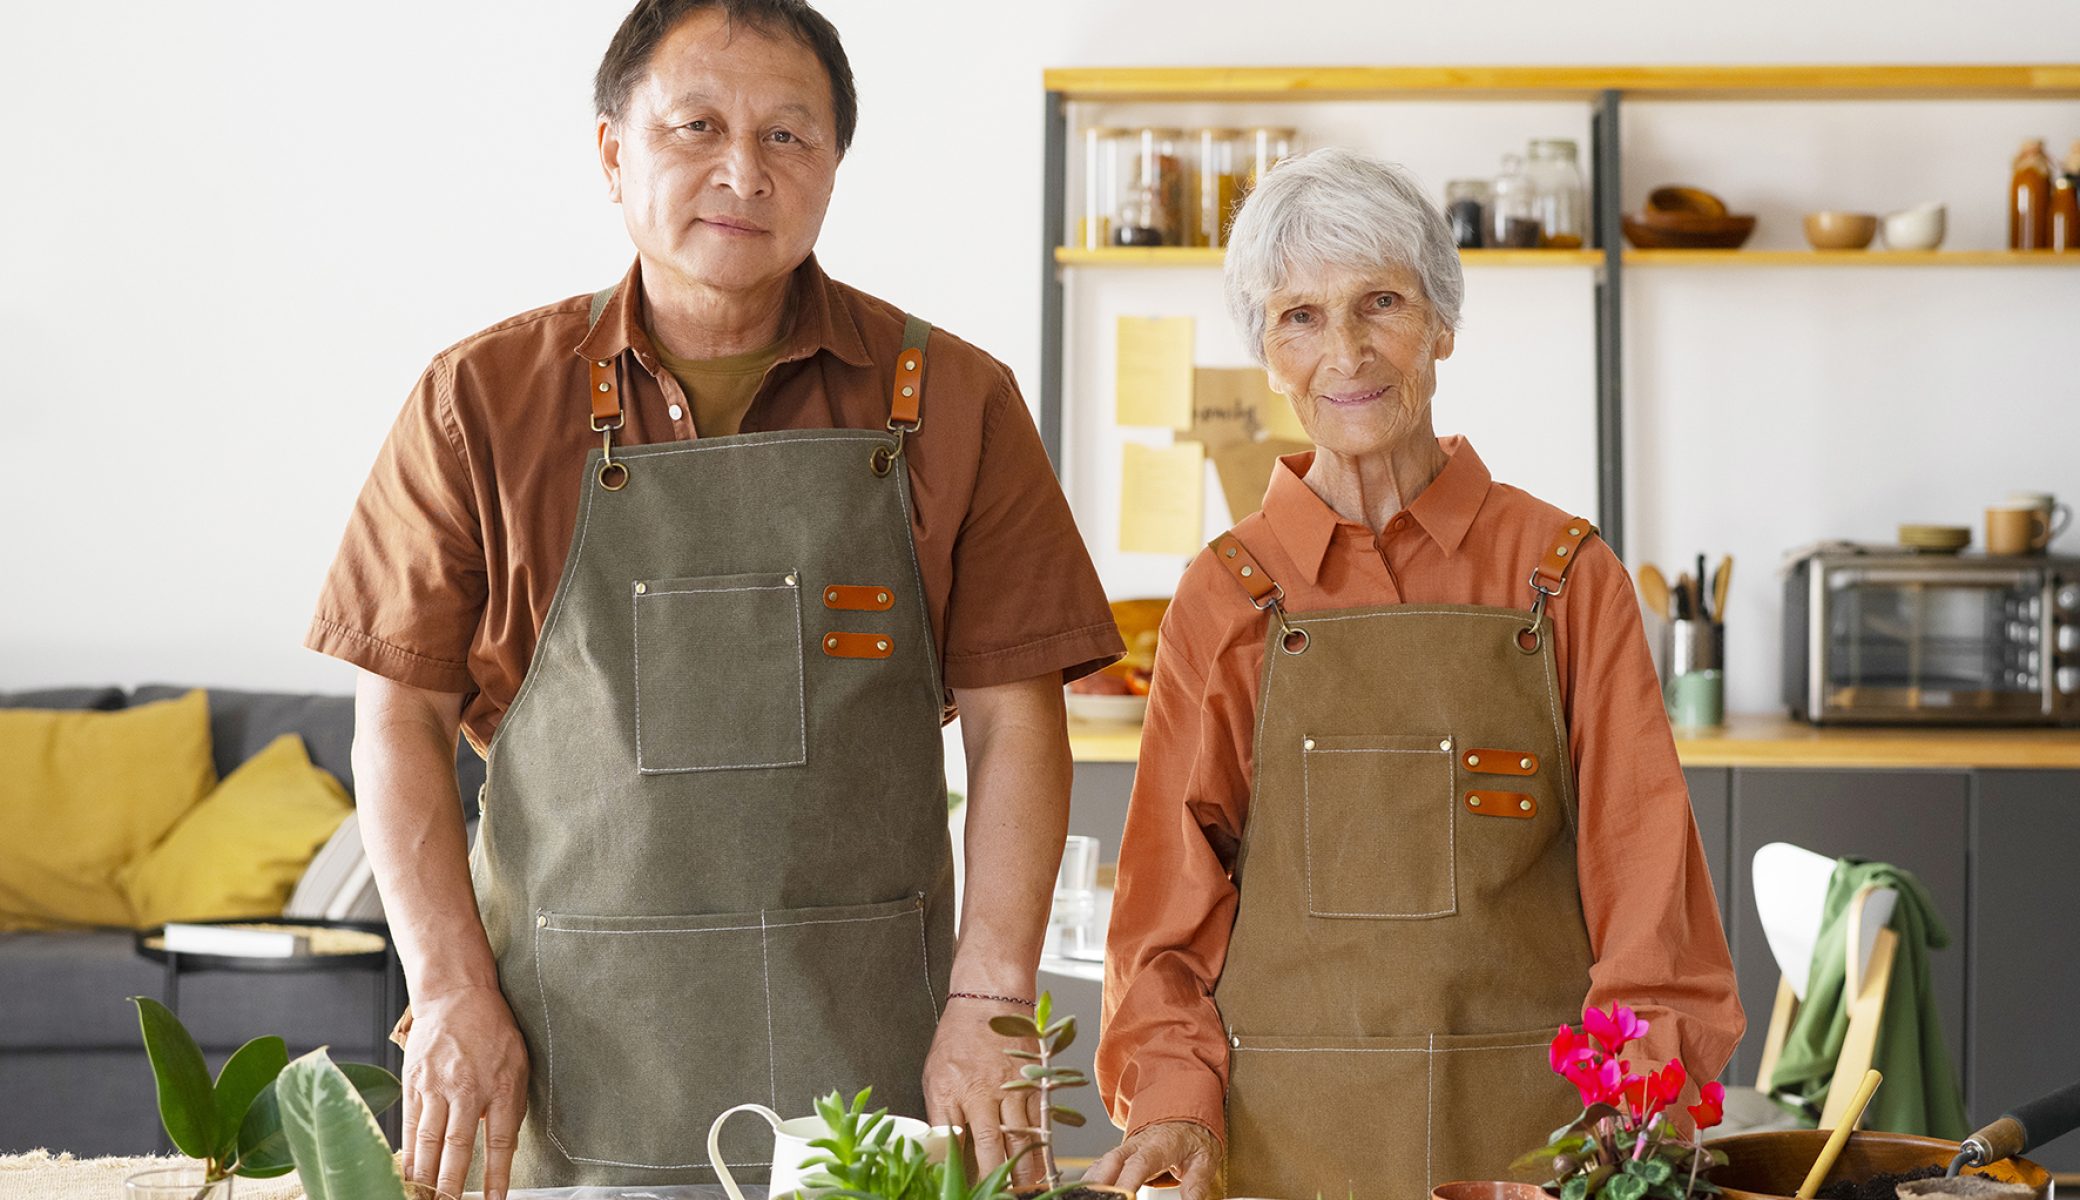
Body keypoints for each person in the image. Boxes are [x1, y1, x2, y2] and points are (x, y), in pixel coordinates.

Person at [306, 2, 1122, 1195]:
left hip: (872, 1069)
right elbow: (398, 719)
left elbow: (1017, 722)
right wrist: (447, 992)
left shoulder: (956, 400)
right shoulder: (477, 402)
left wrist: (992, 1001)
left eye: (790, 135)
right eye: (696, 126)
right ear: (612, 152)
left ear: (835, 165)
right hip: (561, 1054)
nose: (744, 170)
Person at [1086, 148, 1744, 1200]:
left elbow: (1649, 907)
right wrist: (1173, 1109)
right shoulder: (1225, 595)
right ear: (1267, 353)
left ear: (1440, 324)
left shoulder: (1563, 577)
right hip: (1281, 1150)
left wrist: (1625, 1142)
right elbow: (1166, 916)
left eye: (1377, 303)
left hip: (1539, 1150)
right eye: (1299, 316)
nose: (1343, 351)